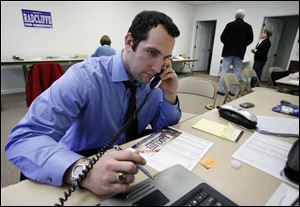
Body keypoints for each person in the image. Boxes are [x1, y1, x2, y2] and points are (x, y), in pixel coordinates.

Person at [5, 10, 181, 196]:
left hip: (128, 172)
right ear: (129, 42)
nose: (157, 67)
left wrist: (170, 95)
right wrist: (84, 171)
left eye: (165, 58)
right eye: (152, 52)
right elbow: (23, 138)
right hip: (77, 165)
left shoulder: (153, 85)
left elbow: (164, 131)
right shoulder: (84, 77)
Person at [217, 9, 253, 96]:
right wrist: (243, 45)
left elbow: (222, 37)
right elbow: (250, 39)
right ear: (243, 16)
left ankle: (221, 90)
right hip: (240, 52)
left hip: (228, 51)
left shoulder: (229, 25)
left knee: (224, 71)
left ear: (235, 16)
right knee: (236, 72)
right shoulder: (248, 26)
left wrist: (228, 44)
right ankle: (232, 91)